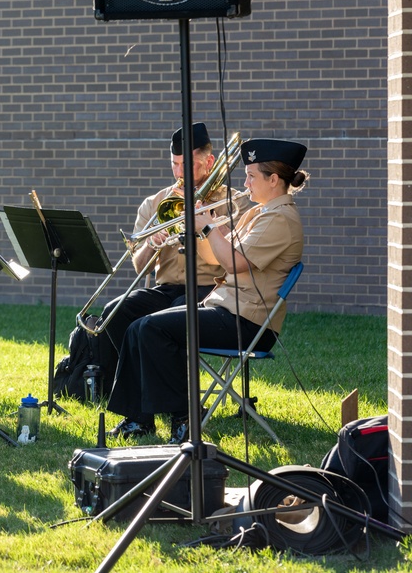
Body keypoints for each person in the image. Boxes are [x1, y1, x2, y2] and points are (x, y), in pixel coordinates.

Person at [106, 138, 308, 444]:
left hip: (247, 321)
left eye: (252, 176)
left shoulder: (279, 218)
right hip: (228, 310)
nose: (245, 182)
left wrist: (209, 228)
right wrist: (201, 224)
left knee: (153, 329)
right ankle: (138, 419)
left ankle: (185, 421)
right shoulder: (259, 213)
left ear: (274, 180)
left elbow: (232, 261)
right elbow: (217, 255)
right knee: (138, 326)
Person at [95, 123, 230, 394]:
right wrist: (151, 243)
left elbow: (228, 259)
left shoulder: (229, 201)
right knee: (115, 311)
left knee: (173, 315)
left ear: (209, 162)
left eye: (187, 165)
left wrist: (205, 219)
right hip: (166, 289)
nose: (179, 173)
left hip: (211, 290)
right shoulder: (156, 203)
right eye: (175, 164)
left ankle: (179, 410)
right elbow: (138, 266)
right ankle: (137, 408)